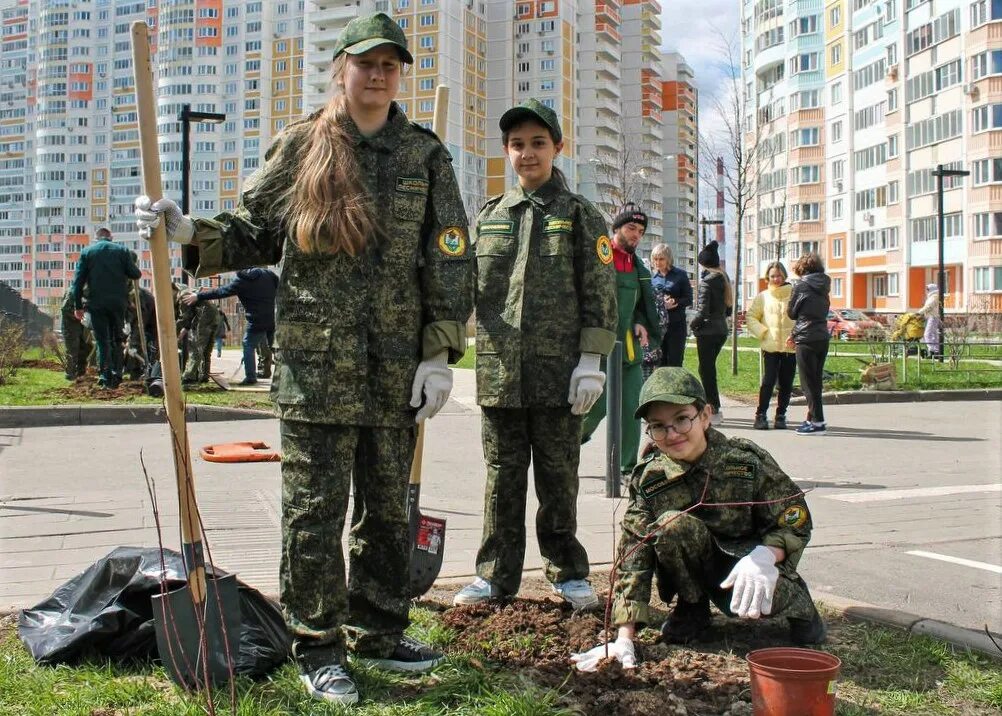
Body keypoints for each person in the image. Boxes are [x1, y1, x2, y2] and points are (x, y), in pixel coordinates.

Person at [135, 13, 473, 705]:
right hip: (315, 367)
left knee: (387, 509)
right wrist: (189, 229)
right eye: (365, 62)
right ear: (341, 68)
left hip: (395, 366)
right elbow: (254, 231)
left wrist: (439, 353)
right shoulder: (301, 146)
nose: (377, 75)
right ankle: (317, 644)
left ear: (399, 73)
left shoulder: (425, 154)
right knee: (314, 511)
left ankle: (379, 628)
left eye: (390, 64)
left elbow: (449, 258)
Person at [452, 99, 617, 610]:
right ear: (506, 151)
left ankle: (567, 572)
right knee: (501, 481)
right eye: (518, 144)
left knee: (557, 479)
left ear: (557, 148)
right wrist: (439, 348)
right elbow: (462, 290)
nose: (528, 154)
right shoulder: (489, 217)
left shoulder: (581, 216)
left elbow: (600, 292)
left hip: (559, 375)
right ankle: (494, 576)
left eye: (538, 143)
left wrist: (592, 361)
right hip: (500, 375)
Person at [570, 367, 824, 672]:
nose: (672, 433)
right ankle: (693, 608)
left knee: (793, 620)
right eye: (658, 426)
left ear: (705, 415)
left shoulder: (744, 462)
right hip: (697, 567)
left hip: (754, 568)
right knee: (672, 524)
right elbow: (633, 552)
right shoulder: (651, 479)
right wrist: (623, 637)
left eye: (681, 419)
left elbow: (794, 518)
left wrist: (766, 556)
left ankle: (800, 607)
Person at [580, 204, 662, 478]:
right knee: (596, 406)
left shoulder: (638, 266)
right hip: (600, 348)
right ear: (616, 229)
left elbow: (640, 304)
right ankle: (569, 442)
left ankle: (627, 468)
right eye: (631, 228)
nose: (636, 235)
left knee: (631, 409)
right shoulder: (599, 256)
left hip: (628, 350)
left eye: (640, 231)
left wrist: (640, 320)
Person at [70, 227, 142, 389]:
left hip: (96, 304)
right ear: (111, 237)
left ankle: (104, 376)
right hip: (118, 304)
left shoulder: (88, 252)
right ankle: (117, 375)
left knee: (102, 341)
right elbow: (135, 274)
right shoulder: (122, 251)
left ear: (96, 238)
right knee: (117, 339)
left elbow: (78, 282)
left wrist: (78, 306)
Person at [182, 268, 278, 385]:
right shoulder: (267, 274)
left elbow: (221, 292)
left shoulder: (241, 281)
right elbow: (280, 286)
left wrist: (198, 296)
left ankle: (251, 378)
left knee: (248, 345)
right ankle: (286, 374)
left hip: (255, 320)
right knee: (275, 347)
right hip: (272, 317)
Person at [746, 262, 796, 430]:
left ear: (784, 276)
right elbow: (751, 316)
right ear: (768, 277)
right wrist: (763, 332)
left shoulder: (794, 294)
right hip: (770, 346)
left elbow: (801, 317)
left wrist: (796, 335)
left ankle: (781, 415)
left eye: (779, 275)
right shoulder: (763, 296)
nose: (776, 279)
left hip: (790, 346)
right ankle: (761, 415)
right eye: (773, 276)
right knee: (768, 381)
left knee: (786, 383)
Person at [788, 253, 831, 436]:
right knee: (816, 380)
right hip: (822, 336)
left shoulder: (801, 285)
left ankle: (817, 422)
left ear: (802, 269)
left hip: (806, 337)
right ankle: (813, 417)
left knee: (808, 382)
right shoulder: (824, 286)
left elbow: (791, 312)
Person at [690, 240, 730, 425]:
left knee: (706, 370)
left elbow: (702, 311)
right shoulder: (724, 279)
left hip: (707, 332)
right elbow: (728, 310)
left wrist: (692, 324)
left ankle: (712, 408)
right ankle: (714, 407)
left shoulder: (707, 282)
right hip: (721, 329)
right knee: (709, 368)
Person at [650, 243, 692, 368]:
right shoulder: (652, 278)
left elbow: (689, 299)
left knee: (675, 361)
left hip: (676, 325)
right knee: (659, 363)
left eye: (661, 259)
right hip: (659, 326)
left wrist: (674, 303)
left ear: (668, 259)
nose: (658, 262)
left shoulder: (680, 275)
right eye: (655, 259)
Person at [176, 287, 223, 387]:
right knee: (206, 350)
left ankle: (188, 377)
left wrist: (175, 332)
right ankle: (204, 375)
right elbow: (189, 320)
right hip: (214, 317)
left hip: (205, 317)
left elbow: (185, 318)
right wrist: (182, 331)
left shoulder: (183, 297)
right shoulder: (189, 293)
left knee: (196, 347)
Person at [60, 287, 93, 381]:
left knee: (85, 347)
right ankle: (70, 374)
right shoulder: (73, 292)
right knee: (72, 350)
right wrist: (78, 317)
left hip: (80, 325)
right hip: (69, 325)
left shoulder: (87, 293)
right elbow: (65, 309)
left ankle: (81, 373)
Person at [918, 283, 941, 359]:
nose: (927, 290)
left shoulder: (934, 297)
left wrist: (919, 312)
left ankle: (932, 351)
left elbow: (929, 306)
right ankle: (936, 351)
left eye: (928, 289)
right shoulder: (932, 296)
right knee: (933, 335)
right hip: (931, 317)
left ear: (932, 289)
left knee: (927, 334)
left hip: (933, 317)